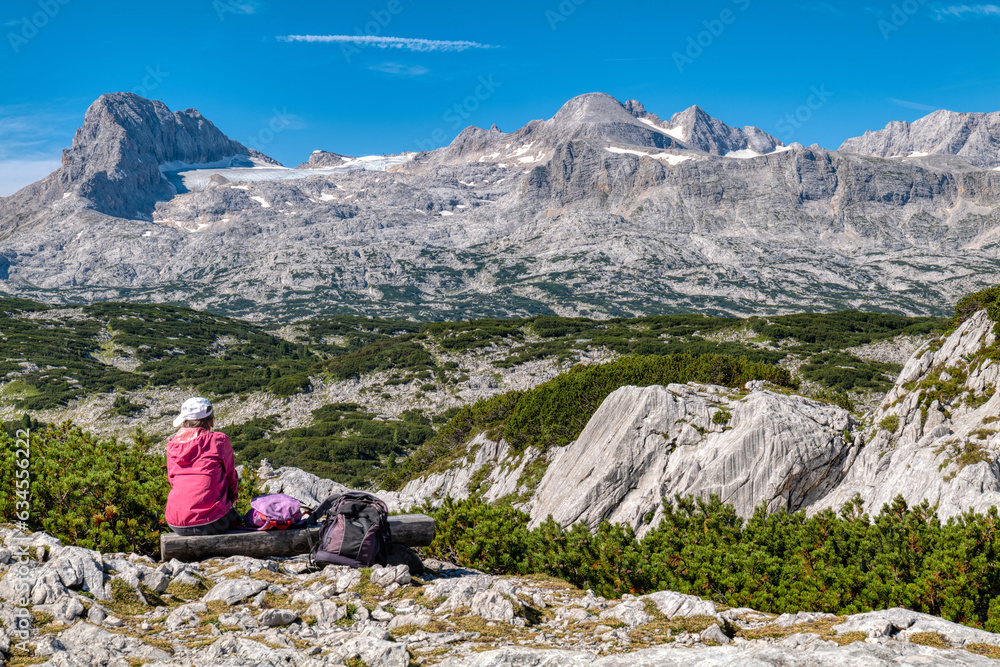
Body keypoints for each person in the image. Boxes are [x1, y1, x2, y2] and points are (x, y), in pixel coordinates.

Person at [165, 397, 240, 536]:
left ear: (184, 422)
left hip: (175, 522)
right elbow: (230, 477)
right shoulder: (219, 440)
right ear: (211, 421)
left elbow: (172, 479)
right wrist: (231, 501)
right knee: (237, 520)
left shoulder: (172, 445)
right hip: (211, 521)